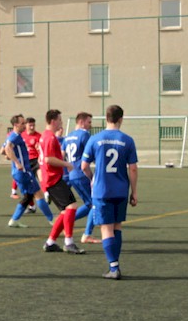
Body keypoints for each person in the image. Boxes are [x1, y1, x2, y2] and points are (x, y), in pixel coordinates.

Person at [82, 104, 138, 280]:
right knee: (117, 226)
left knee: (106, 229)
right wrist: (134, 192)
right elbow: (133, 169)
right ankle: (115, 263)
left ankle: (114, 268)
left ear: (106, 118)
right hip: (121, 190)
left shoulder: (95, 139)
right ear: (121, 119)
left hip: (102, 191)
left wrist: (92, 179)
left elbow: (84, 166)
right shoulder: (128, 140)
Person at [40, 109, 83, 255]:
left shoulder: (44, 136)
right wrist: (67, 164)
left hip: (50, 179)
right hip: (53, 178)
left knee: (65, 211)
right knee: (72, 206)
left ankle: (50, 242)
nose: (61, 122)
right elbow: (48, 159)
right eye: (59, 120)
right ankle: (69, 242)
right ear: (53, 121)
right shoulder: (50, 137)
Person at [4, 114, 54, 228]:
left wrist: (11, 156)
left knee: (28, 197)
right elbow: (7, 148)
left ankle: (14, 220)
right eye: (22, 123)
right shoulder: (15, 136)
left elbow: (4, 150)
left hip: (19, 172)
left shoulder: (14, 135)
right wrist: (17, 162)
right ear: (16, 125)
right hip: (23, 171)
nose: (25, 125)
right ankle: (52, 219)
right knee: (39, 194)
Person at [62, 112, 99, 244]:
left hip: (72, 175)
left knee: (89, 204)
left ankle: (64, 222)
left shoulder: (68, 136)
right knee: (96, 204)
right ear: (82, 122)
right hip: (82, 174)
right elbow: (92, 153)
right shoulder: (84, 135)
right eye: (89, 122)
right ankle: (87, 234)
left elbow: (62, 155)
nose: (90, 125)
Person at [24, 117, 42, 213]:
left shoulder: (39, 136)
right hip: (26, 163)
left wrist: (39, 150)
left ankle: (47, 195)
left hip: (36, 161)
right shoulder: (21, 136)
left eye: (33, 125)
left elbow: (43, 150)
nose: (32, 127)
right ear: (26, 125)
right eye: (30, 125)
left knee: (42, 179)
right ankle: (32, 206)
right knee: (28, 186)